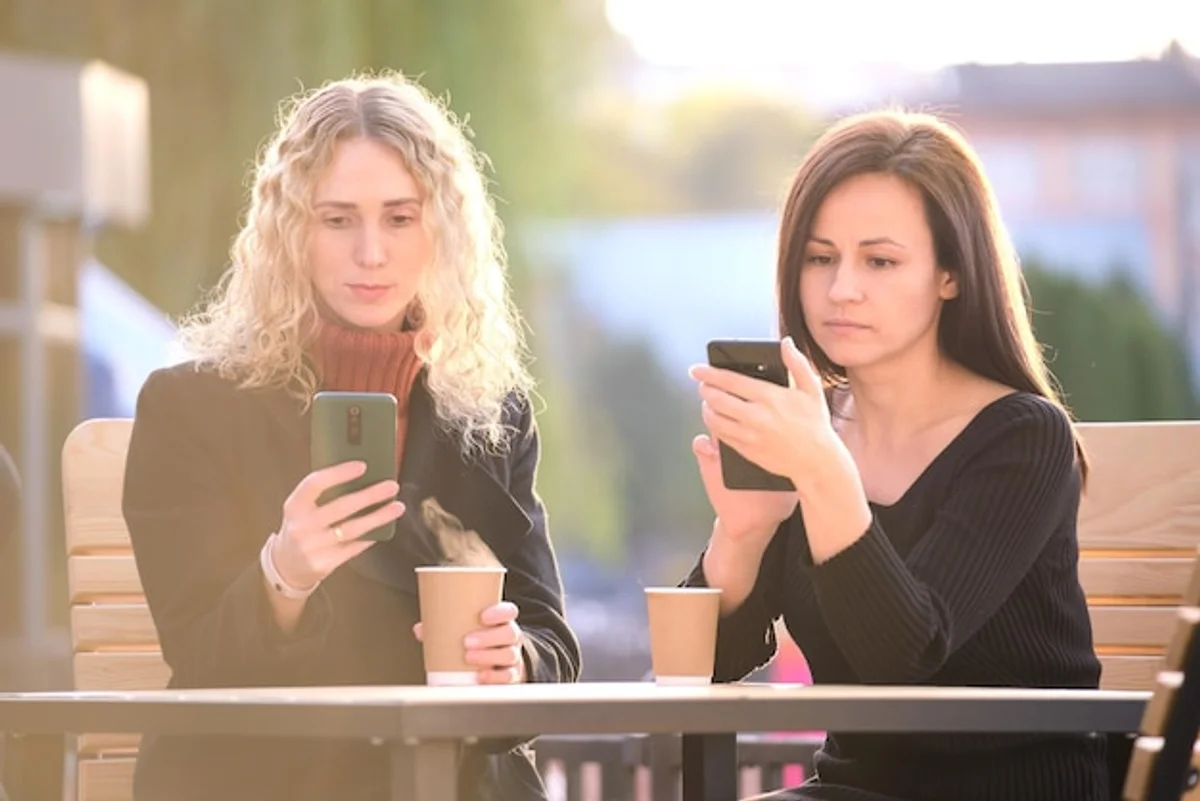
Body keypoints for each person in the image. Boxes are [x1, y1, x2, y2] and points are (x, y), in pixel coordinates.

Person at [122, 72, 580, 801]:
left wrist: (513, 658)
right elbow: (198, 659)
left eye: (400, 218)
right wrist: (283, 573)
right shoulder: (194, 407)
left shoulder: (489, 415)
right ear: (289, 234)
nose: (371, 253)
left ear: (442, 232)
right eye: (338, 220)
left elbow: (552, 639)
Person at [684, 109, 1105, 801]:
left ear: (951, 274)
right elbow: (702, 669)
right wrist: (742, 532)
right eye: (821, 258)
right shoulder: (808, 426)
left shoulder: (1025, 437)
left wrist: (822, 471)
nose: (842, 287)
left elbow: (907, 655)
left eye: (880, 260)